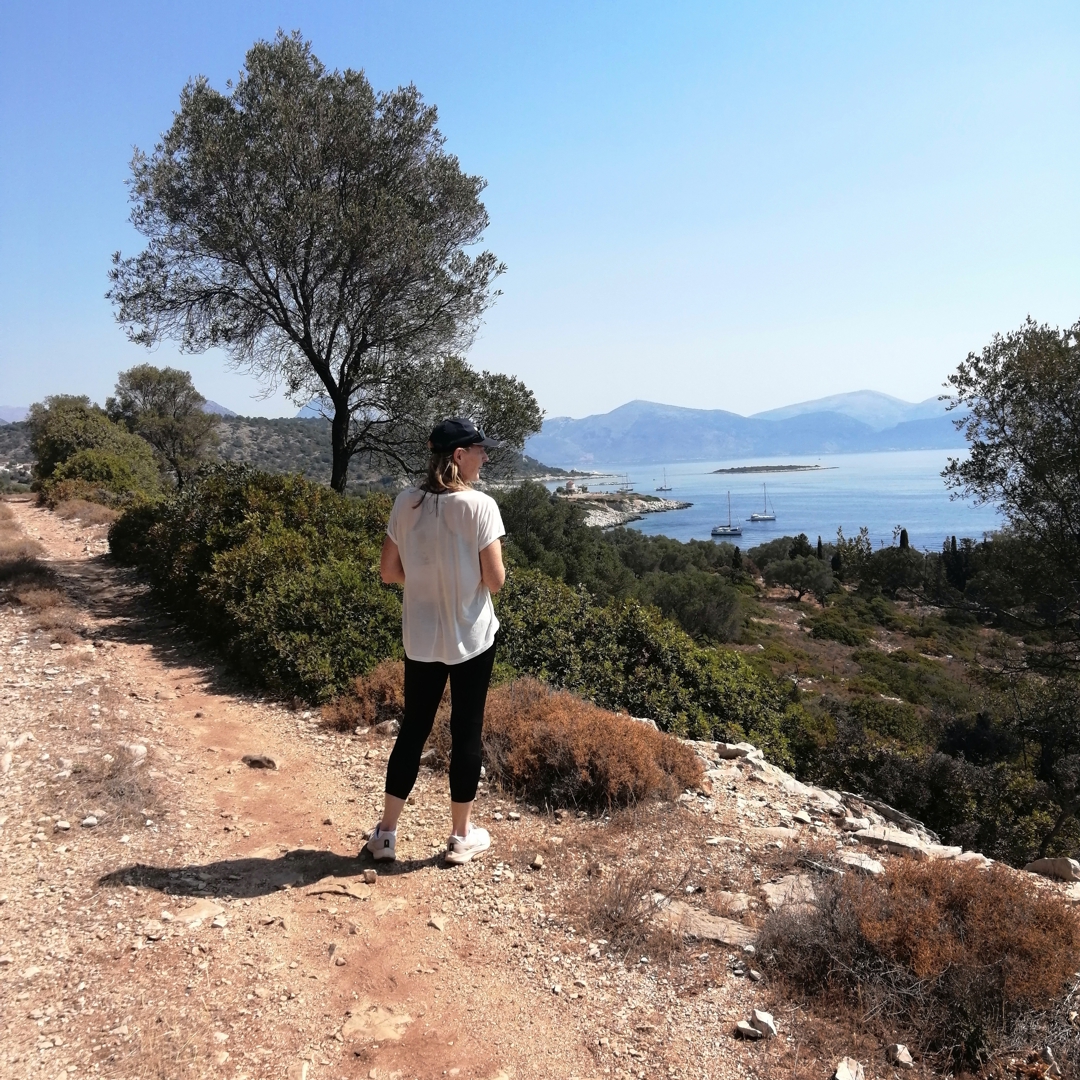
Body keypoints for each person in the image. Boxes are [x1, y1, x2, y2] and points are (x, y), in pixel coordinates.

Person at [365, 417, 506, 866]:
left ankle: (386, 834)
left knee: (413, 730)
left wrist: (426, 582)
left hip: (421, 638)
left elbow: (389, 572)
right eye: (479, 450)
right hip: (472, 637)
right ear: (458, 456)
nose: (484, 456)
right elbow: (496, 581)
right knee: (467, 732)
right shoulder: (480, 506)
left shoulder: (405, 503)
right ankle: (461, 837)